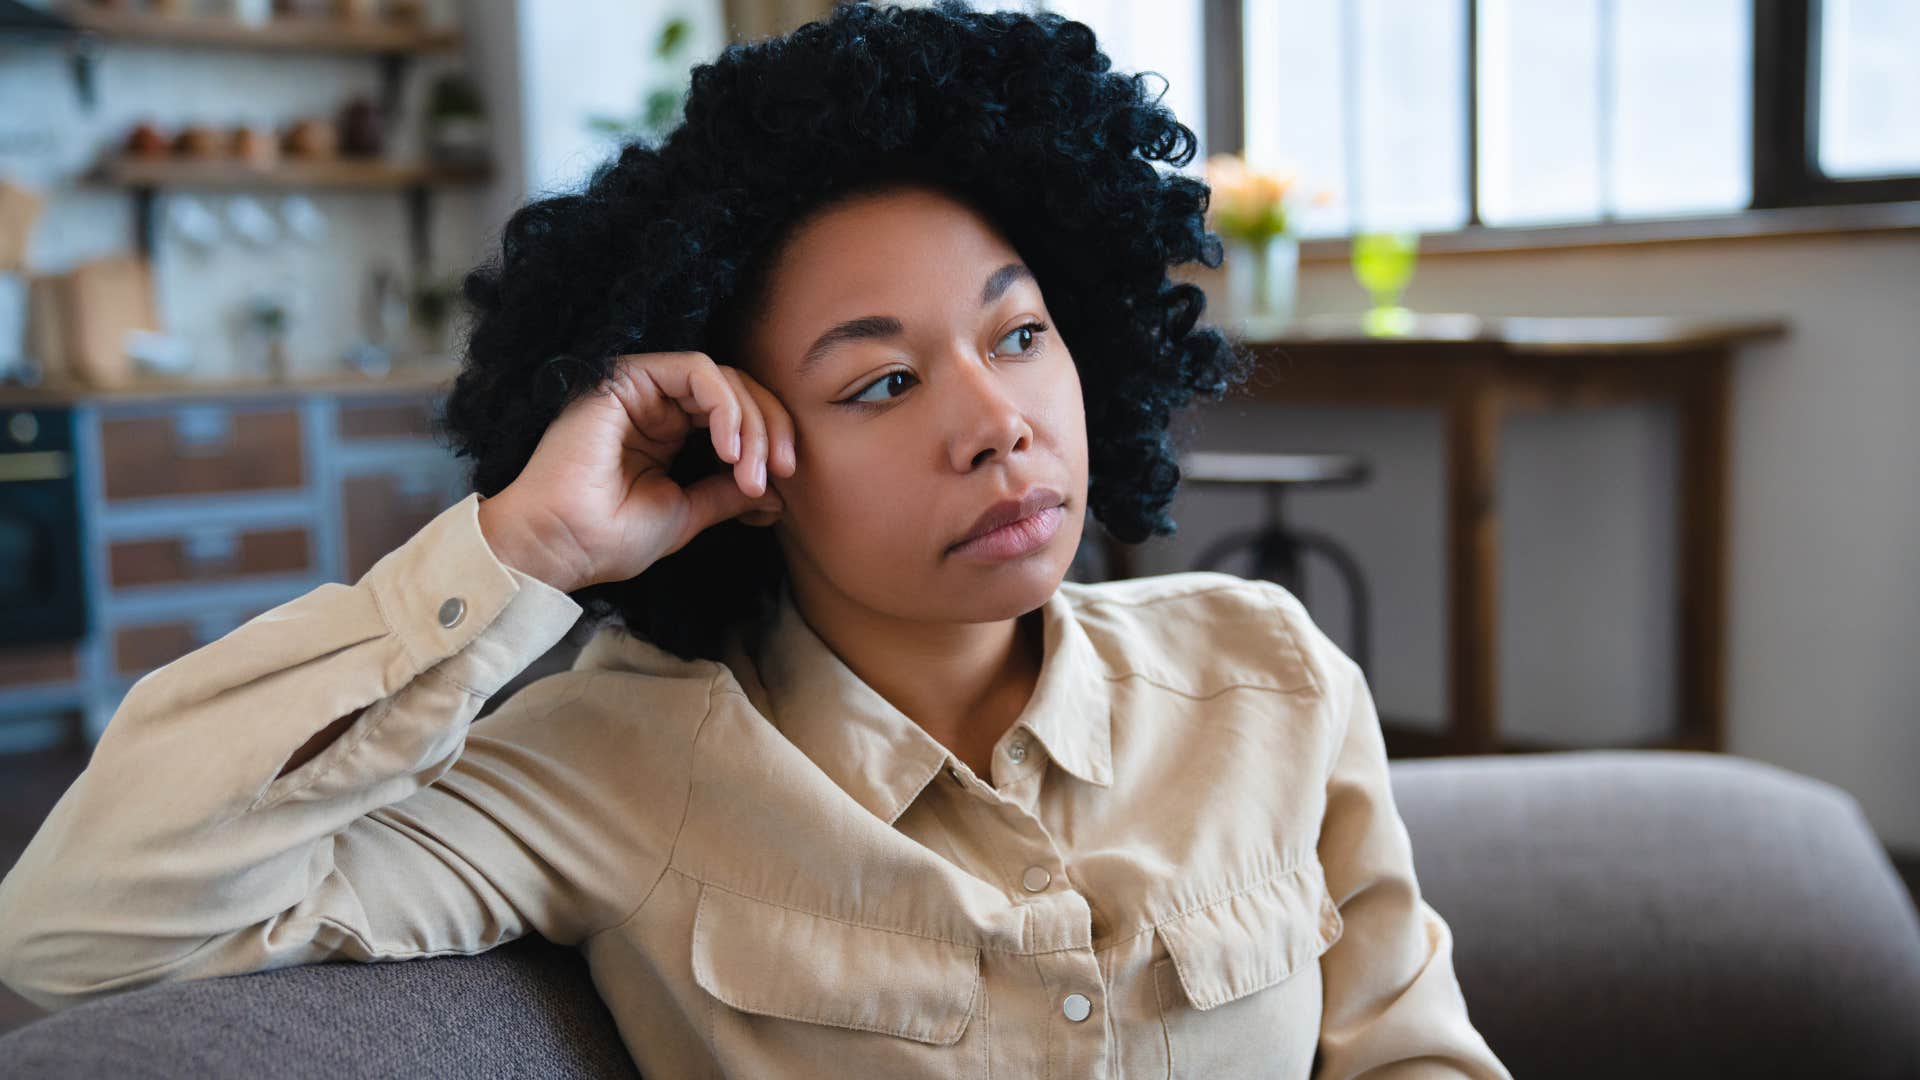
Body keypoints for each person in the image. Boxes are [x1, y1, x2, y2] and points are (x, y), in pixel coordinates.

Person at [0, 2, 1512, 1076]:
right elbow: (75, 931)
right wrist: (521, 550)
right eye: (884, 382)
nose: (1000, 422)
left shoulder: (1268, 677)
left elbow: (1410, 1053)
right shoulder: (620, 768)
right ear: (750, 454)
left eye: (1023, 332)